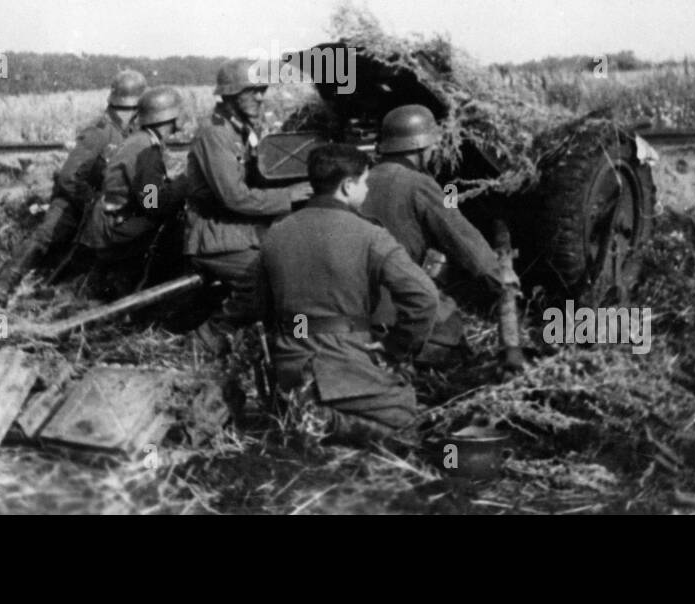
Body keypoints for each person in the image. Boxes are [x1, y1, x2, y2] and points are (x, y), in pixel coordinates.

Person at [258, 143, 438, 444]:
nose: (366, 189)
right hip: (342, 362)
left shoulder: (276, 231)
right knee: (410, 421)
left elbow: (259, 305)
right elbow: (425, 297)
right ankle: (324, 422)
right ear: (347, 186)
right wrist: (396, 346)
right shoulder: (370, 235)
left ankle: (304, 408)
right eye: (364, 182)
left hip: (288, 363)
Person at [0, 69, 146, 309]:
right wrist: (91, 201)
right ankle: (2, 285)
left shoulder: (132, 134)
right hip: (73, 201)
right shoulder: (99, 133)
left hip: (104, 206)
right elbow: (69, 177)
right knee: (45, 236)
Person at [363, 104, 509, 366]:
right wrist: (503, 282)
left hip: (356, 313)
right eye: (431, 147)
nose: (433, 153)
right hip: (400, 313)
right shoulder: (419, 184)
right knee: (458, 353)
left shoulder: (359, 181)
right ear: (419, 148)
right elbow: (468, 246)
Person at [182, 58, 310, 338]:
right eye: (252, 91)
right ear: (230, 94)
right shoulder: (215, 135)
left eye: (262, 89)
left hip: (239, 229)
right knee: (264, 278)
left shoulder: (241, 131)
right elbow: (235, 197)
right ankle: (207, 340)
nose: (261, 97)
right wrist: (288, 195)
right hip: (214, 235)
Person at [78, 86, 190, 300]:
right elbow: (153, 204)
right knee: (175, 230)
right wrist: (186, 182)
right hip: (114, 228)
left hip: (108, 221)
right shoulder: (146, 149)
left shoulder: (141, 141)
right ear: (168, 116)